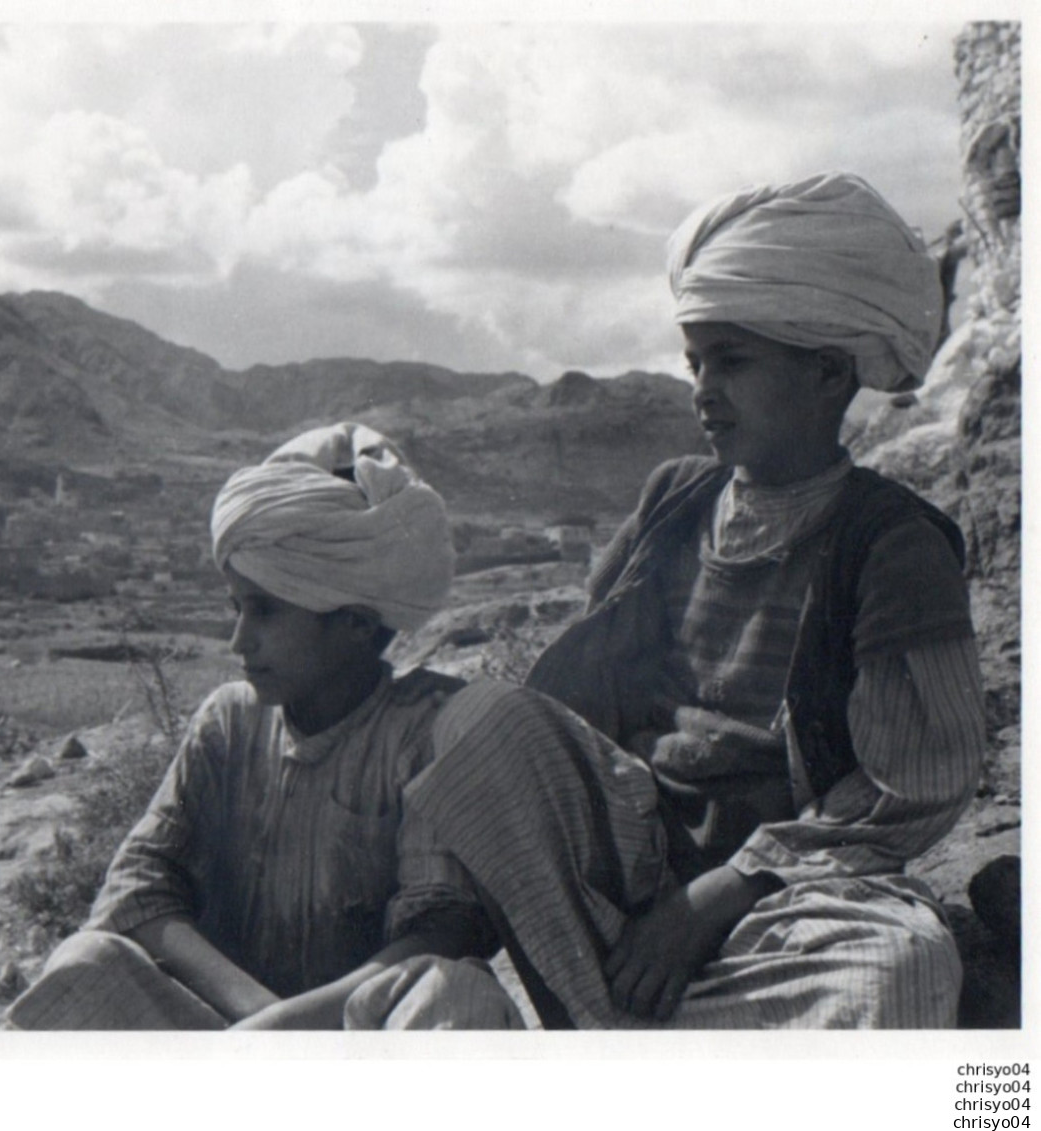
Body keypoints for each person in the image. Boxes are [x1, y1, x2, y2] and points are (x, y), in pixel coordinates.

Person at [367, 172, 986, 1030]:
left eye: (731, 361)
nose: (702, 389)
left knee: (899, 966)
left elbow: (907, 788)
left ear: (827, 371)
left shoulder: (891, 543)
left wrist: (709, 902)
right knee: (482, 715)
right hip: (634, 868)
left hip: (793, 893)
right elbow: (579, 698)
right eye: (695, 362)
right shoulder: (675, 500)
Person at [8, 423, 508, 1030]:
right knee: (85, 966)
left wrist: (292, 1035)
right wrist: (262, 1023)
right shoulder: (229, 721)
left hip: (357, 1054)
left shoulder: (427, 729)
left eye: (266, 610)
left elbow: (442, 928)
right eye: (236, 608)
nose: (239, 641)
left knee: (456, 992)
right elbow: (139, 887)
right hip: (234, 1039)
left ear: (355, 621)